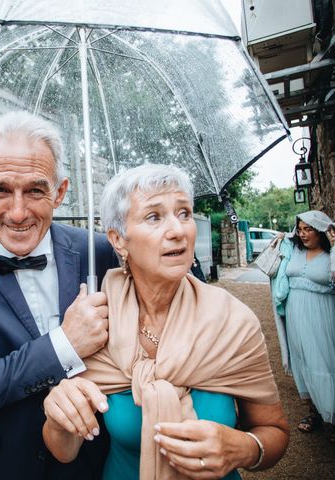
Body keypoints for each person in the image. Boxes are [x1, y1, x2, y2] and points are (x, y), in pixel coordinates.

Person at [42, 164, 289, 479]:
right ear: (118, 240)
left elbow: (274, 430)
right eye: (154, 217)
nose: (178, 230)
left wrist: (245, 448)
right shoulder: (96, 325)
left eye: (184, 213)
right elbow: (64, 451)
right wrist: (57, 415)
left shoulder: (233, 322)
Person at [0, 111, 118, 479]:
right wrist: (65, 344)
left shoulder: (99, 254)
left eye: (35, 189)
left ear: (59, 192)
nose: (17, 212)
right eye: (0, 190)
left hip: (88, 463)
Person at [269, 210, 335, 444]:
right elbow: (273, 267)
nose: (303, 234)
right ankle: (314, 412)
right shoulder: (293, 249)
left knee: (328, 361)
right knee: (304, 360)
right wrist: (279, 242)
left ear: (321, 231)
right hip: (297, 315)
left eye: (309, 229)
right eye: (300, 229)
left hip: (326, 315)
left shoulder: (333, 253)